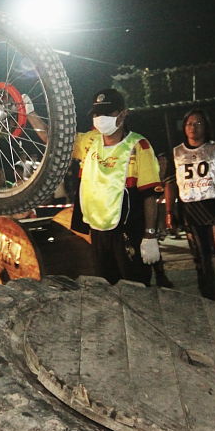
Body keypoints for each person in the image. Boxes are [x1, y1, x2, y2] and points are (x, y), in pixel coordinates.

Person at [71, 89, 163, 286]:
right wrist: (31, 113)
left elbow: (149, 195)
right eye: (97, 114)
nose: (101, 118)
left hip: (128, 232)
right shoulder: (89, 141)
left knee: (135, 288)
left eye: (108, 113)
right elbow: (55, 142)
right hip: (98, 230)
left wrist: (150, 235)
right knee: (106, 289)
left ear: (123, 114)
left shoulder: (138, 146)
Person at [165, 109, 215, 308]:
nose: (193, 127)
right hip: (190, 214)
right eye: (189, 124)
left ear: (206, 126)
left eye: (198, 123)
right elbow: (170, 184)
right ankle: (210, 302)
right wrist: (169, 212)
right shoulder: (176, 153)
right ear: (184, 128)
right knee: (201, 260)